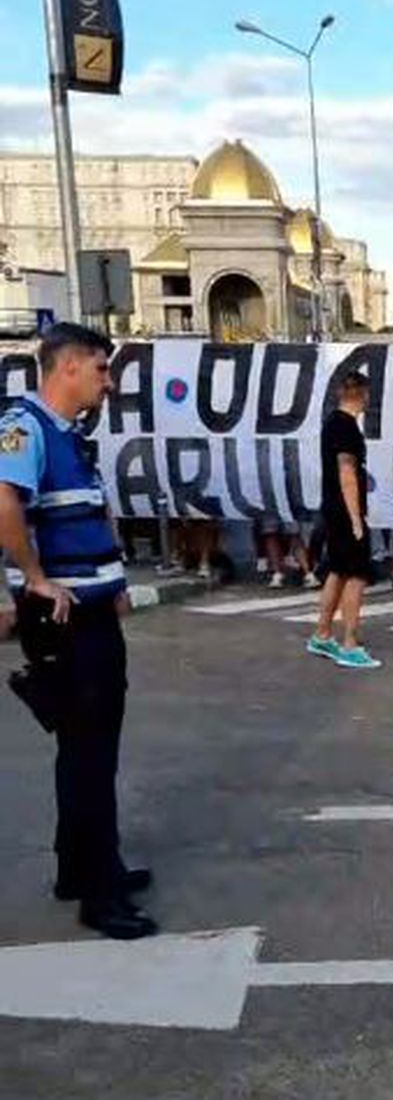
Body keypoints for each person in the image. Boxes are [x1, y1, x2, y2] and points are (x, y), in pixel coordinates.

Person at [0, 323, 157, 940]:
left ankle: (83, 866)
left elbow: (87, 513)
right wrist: (35, 577)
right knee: (90, 755)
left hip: (92, 609)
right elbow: (5, 503)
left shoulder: (68, 433)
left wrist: (115, 581)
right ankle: (101, 893)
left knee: (88, 749)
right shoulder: (25, 426)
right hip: (65, 619)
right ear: (67, 367)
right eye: (101, 369)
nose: (108, 381)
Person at [308, 373, 381, 670]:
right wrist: (356, 519)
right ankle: (350, 643)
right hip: (344, 512)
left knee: (337, 571)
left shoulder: (333, 423)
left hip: (334, 510)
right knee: (356, 575)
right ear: (362, 394)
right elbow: (347, 473)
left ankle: (322, 634)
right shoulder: (346, 427)